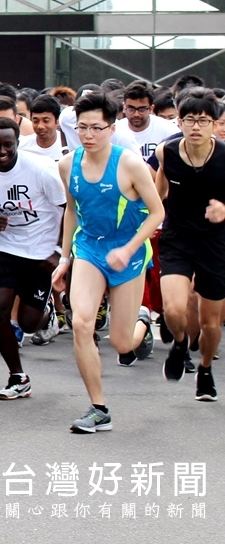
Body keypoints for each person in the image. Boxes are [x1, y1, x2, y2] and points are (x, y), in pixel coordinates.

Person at [53, 90, 165, 433]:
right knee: (82, 324)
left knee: (121, 342)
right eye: (82, 127)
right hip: (89, 247)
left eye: (96, 128)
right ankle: (98, 408)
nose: (88, 135)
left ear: (112, 128)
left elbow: (157, 212)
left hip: (127, 251)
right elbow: (72, 210)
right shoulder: (67, 164)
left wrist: (129, 249)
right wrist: (65, 258)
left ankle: (142, 322)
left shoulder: (130, 163)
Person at [0, 117, 65, 401]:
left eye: (8, 145)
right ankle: (17, 376)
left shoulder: (41, 170)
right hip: (6, 247)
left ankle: (48, 314)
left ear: (18, 143)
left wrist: (60, 252)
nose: (1, 151)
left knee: (28, 323)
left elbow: (69, 210)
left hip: (42, 252)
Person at [153, 89, 225, 401]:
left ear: (215, 124)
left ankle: (206, 369)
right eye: (190, 120)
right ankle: (180, 343)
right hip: (177, 238)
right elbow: (158, 193)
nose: (196, 127)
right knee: (173, 309)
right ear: (179, 122)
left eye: (204, 121)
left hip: (215, 242)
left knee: (210, 324)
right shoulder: (165, 153)